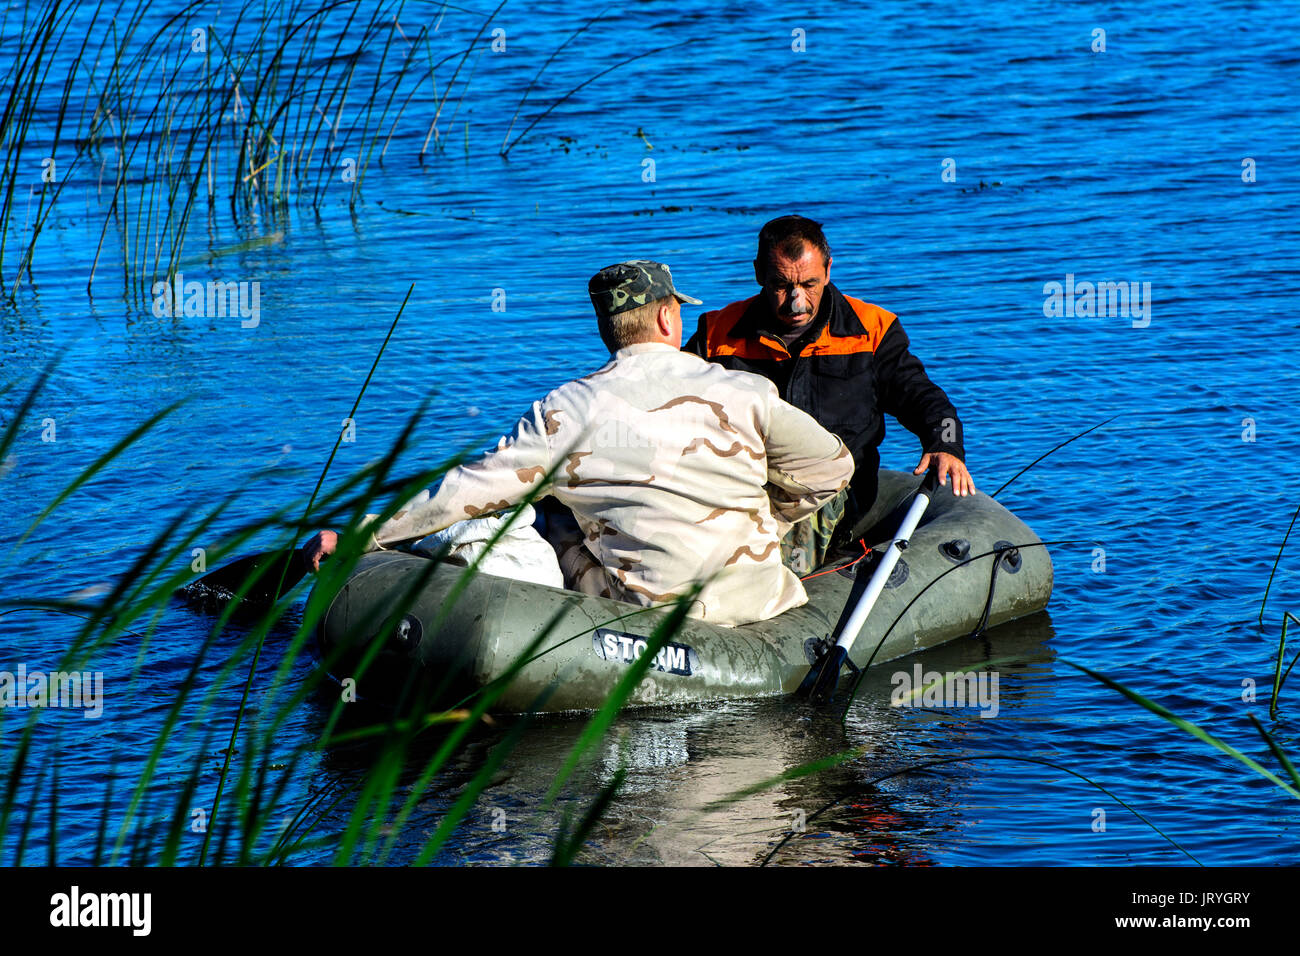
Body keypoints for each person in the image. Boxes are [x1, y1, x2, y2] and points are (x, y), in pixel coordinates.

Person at [302, 260, 854, 627]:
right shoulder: (745, 389)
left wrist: (366, 534)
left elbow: (466, 491)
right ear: (667, 316)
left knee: (548, 509)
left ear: (606, 328)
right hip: (759, 598)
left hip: (650, 616)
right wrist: (773, 519)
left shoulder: (564, 410)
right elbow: (832, 467)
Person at [684, 215, 973, 570]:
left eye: (809, 284)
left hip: (834, 492)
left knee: (774, 543)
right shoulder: (715, 333)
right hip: (743, 484)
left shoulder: (872, 329)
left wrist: (945, 444)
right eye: (780, 285)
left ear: (829, 270)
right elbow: (674, 406)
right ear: (759, 273)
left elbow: (923, 398)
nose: (796, 301)